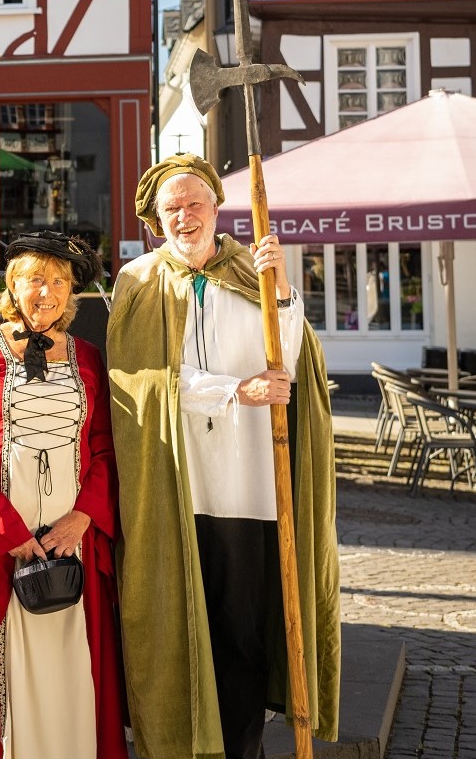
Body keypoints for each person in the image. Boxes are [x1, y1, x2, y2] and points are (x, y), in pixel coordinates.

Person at [106, 153, 340, 759]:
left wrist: (283, 293)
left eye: (193, 204)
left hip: (251, 484)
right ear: (156, 221)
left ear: (216, 206)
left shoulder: (252, 269)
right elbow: (138, 382)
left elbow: (288, 365)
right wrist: (234, 390)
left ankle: (240, 748)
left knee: (241, 632)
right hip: (178, 484)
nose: (184, 217)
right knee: (179, 625)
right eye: (171, 210)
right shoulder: (137, 281)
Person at [0, 231, 128, 759]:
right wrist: (9, 534)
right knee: (5, 668)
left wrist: (83, 519)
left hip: (73, 544)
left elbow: (107, 448)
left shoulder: (88, 357)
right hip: (1, 543)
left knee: (73, 662)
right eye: (35, 280)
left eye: (59, 282)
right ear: (13, 286)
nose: (46, 292)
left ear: (71, 294)